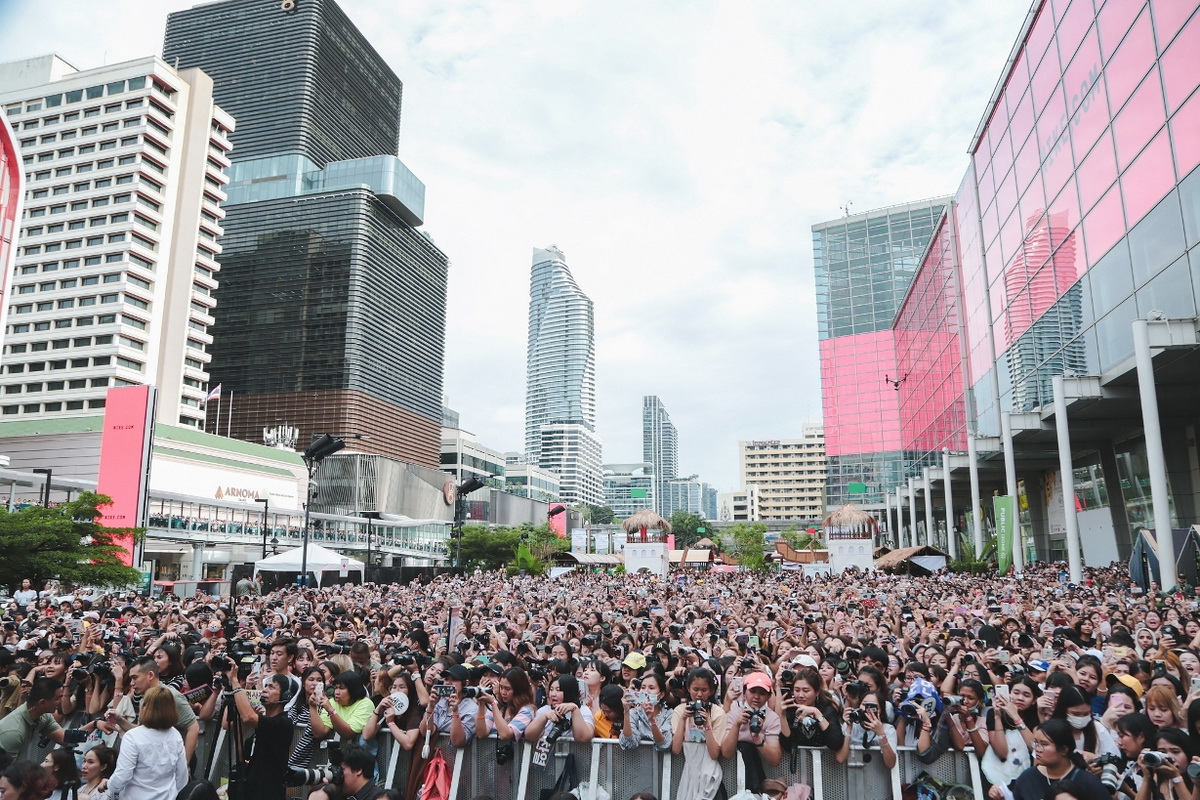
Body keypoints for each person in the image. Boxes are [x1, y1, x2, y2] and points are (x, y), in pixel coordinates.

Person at [986, 719, 1108, 800]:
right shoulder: (1028, 778)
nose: (1037, 749)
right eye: (1036, 743)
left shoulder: (1088, 783)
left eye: (1044, 744)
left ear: (1064, 749)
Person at [104, 686, 189, 800]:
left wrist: (108, 785)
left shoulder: (132, 736)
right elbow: (182, 776)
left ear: (145, 707)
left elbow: (122, 776)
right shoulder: (175, 734)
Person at [224, 664, 293, 800]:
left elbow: (248, 717)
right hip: (249, 790)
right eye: (265, 686)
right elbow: (241, 755)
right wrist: (242, 721)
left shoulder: (283, 722)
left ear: (285, 695)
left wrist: (235, 682)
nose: (265, 690)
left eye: (271, 687)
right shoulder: (263, 725)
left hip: (268, 793)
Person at [671, 668, 726, 800]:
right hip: (689, 768)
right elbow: (676, 749)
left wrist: (707, 725)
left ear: (711, 691)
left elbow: (714, 754)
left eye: (704, 690)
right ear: (688, 689)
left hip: (710, 769)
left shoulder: (718, 713)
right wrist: (683, 719)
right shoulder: (679, 710)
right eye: (695, 689)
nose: (699, 694)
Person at [306, 744, 383, 800]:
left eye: (340, 770)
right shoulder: (346, 796)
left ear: (358, 770)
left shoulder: (379, 798)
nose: (336, 776)